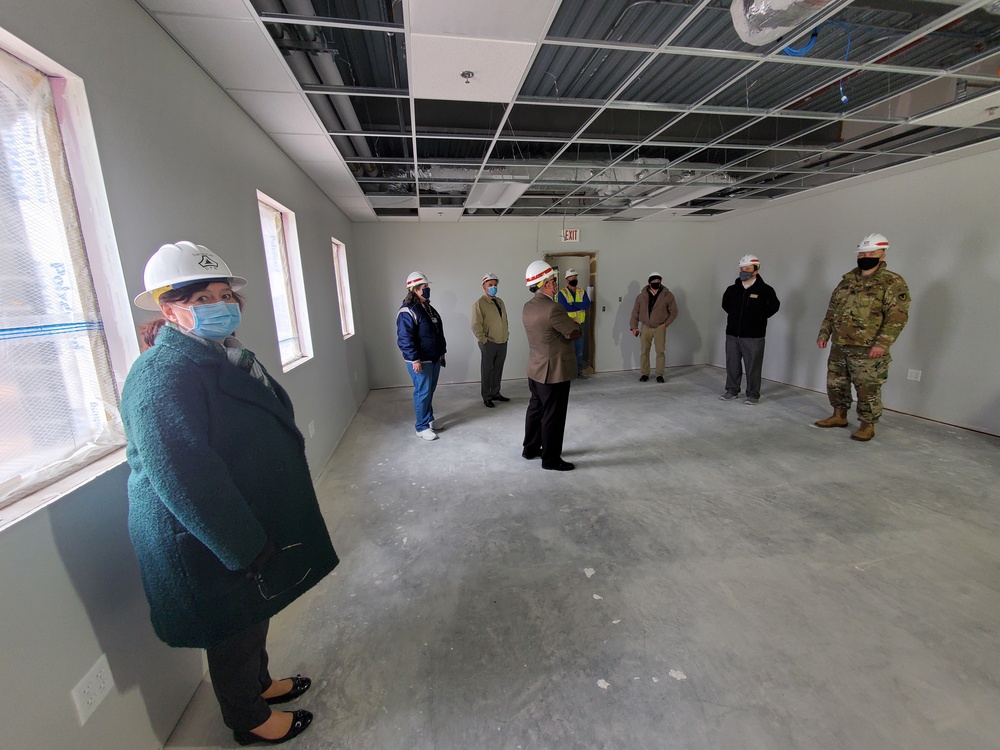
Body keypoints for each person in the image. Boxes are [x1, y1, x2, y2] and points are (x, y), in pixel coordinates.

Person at [122, 241, 338, 746]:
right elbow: (183, 477)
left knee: (252, 611)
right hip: (205, 533)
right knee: (231, 626)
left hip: (236, 518)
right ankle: (249, 718)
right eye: (202, 299)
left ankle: (261, 685)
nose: (221, 306)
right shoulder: (162, 376)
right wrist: (241, 543)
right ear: (168, 308)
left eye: (225, 294)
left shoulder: (219, 356)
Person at [815, 233, 910, 442]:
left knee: (867, 388)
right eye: (863, 253)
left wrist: (882, 344)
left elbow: (897, 317)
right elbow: (831, 311)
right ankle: (839, 416)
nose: (866, 256)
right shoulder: (846, 282)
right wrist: (824, 333)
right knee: (836, 383)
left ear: (882, 255)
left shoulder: (891, 282)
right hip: (840, 344)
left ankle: (867, 425)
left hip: (868, 348)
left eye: (872, 253)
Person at [521, 260, 582, 471]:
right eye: (553, 281)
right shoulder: (553, 308)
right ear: (544, 283)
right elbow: (573, 332)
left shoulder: (528, 307)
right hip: (554, 371)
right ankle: (550, 459)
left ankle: (530, 448)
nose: (555, 285)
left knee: (536, 409)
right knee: (553, 416)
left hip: (535, 369)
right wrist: (575, 324)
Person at [719, 254, 781, 404]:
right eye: (741, 269)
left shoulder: (765, 290)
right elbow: (726, 305)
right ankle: (732, 390)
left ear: (756, 270)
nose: (743, 271)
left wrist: (757, 319)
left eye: (747, 269)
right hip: (733, 334)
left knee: (753, 366)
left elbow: (773, 307)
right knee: (732, 363)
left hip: (754, 336)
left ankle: (753, 394)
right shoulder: (732, 289)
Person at [397, 270, 447, 440]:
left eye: (427, 287)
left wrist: (441, 352)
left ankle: (429, 419)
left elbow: (436, 332)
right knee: (422, 392)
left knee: (429, 391)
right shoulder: (407, 310)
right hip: (421, 360)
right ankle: (421, 426)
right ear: (415, 290)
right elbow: (405, 338)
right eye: (424, 287)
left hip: (433, 357)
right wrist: (414, 359)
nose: (427, 289)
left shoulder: (427, 307)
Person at [629, 273, 678, 383]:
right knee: (644, 351)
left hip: (660, 327)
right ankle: (645, 373)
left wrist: (666, 324)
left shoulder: (667, 295)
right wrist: (633, 327)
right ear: (649, 282)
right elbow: (635, 312)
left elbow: (674, 312)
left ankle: (659, 374)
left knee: (660, 351)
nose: (656, 283)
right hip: (646, 327)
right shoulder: (641, 296)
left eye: (658, 281)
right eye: (654, 281)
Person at [471, 272, 510, 408]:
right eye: (490, 285)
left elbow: (504, 320)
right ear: (484, 287)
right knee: (487, 370)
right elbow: (476, 325)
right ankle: (486, 396)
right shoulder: (479, 304)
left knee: (498, 369)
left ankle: (495, 393)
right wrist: (484, 340)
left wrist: (506, 334)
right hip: (489, 343)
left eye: (495, 285)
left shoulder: (500, 302)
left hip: (502, 341)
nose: (493, 287)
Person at [557, 268, 592, 378]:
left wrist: (573, 304)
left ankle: (578, 371)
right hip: (567, 326)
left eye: (575, 277)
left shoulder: (582, 292)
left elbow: (586, 304)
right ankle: (567, 373)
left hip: (579, 326)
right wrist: (578, 305)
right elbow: (565, 306)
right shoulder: (562, 293)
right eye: (571, 278)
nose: (574, 279)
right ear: (567, 280)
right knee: (566, 351)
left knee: (579, 350)